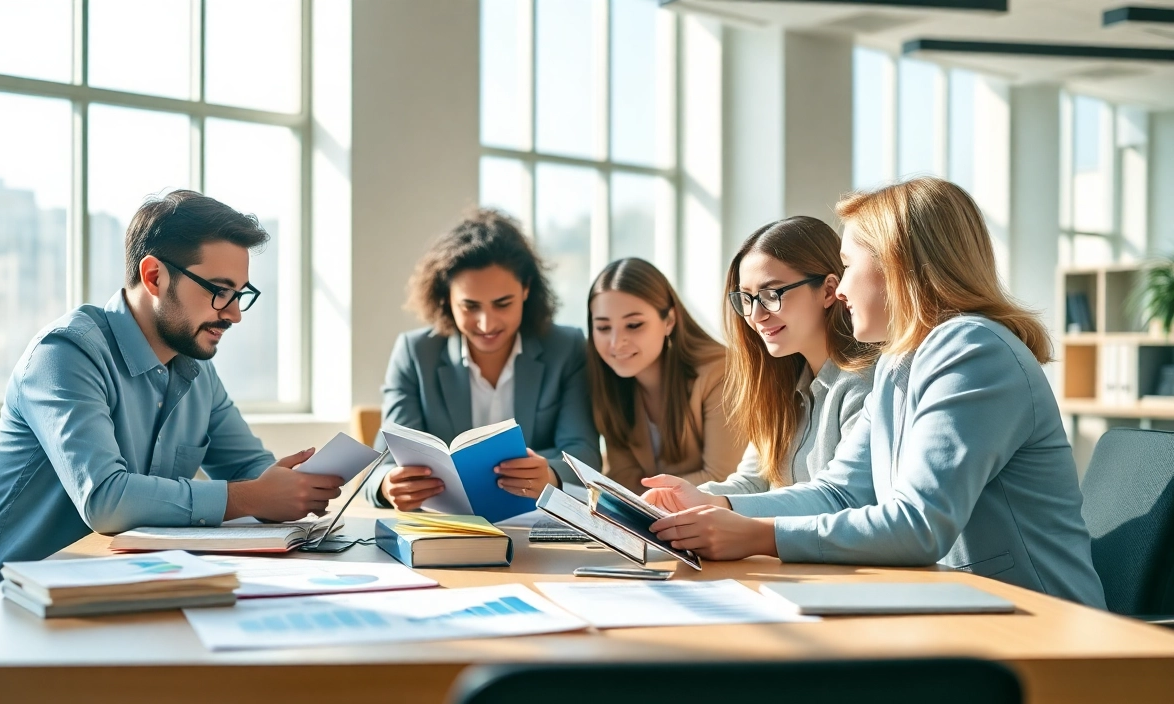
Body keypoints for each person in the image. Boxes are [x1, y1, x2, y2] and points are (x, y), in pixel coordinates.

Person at [647, 178, 1106, 608]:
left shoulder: (972, 349)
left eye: (847, 267)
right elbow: (840, 494)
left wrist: (756, 535)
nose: (840, 290)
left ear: (897, 265)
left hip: (1035, 618)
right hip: (960, 607)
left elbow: (918, 524)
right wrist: (716, 507)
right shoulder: (897, 361)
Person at [0, 190, 343, 593]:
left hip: (120, 591)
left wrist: (291, 488)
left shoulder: (196, 371)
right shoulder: (65, 355)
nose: (234, 313)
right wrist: (250, 499)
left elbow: (250, 475)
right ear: (154, 276)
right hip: (9, 606)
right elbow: (106, 500)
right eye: (219, 290)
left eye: (240, 294)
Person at [369, 208, 600, 511]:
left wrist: (552, 474)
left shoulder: (566, 347)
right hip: (447, 530)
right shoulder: (415, 353)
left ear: (526, 289)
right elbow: (383, 463)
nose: (486, 323)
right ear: (446, 299)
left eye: (503, 304)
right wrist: (388, 486)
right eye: (470, 306)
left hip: (540, 525)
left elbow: (584, 455)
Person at [640, 216, 875, 509]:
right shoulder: (784, 384)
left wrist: (721, 505)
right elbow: (753, 482)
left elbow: (840, 500)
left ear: (828, 291)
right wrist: (681, 499)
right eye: (747, 298)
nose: (756, 315)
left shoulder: (865, 385)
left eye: (770, 294)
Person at [586, 257, 744, 491]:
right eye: (603, 327)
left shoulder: (721, 372)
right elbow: (622, 476)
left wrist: (644, 499)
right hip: (652, 521)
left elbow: (722, 478)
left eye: (633, 325)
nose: (616, 343)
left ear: (669, 320)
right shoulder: (608, 381)